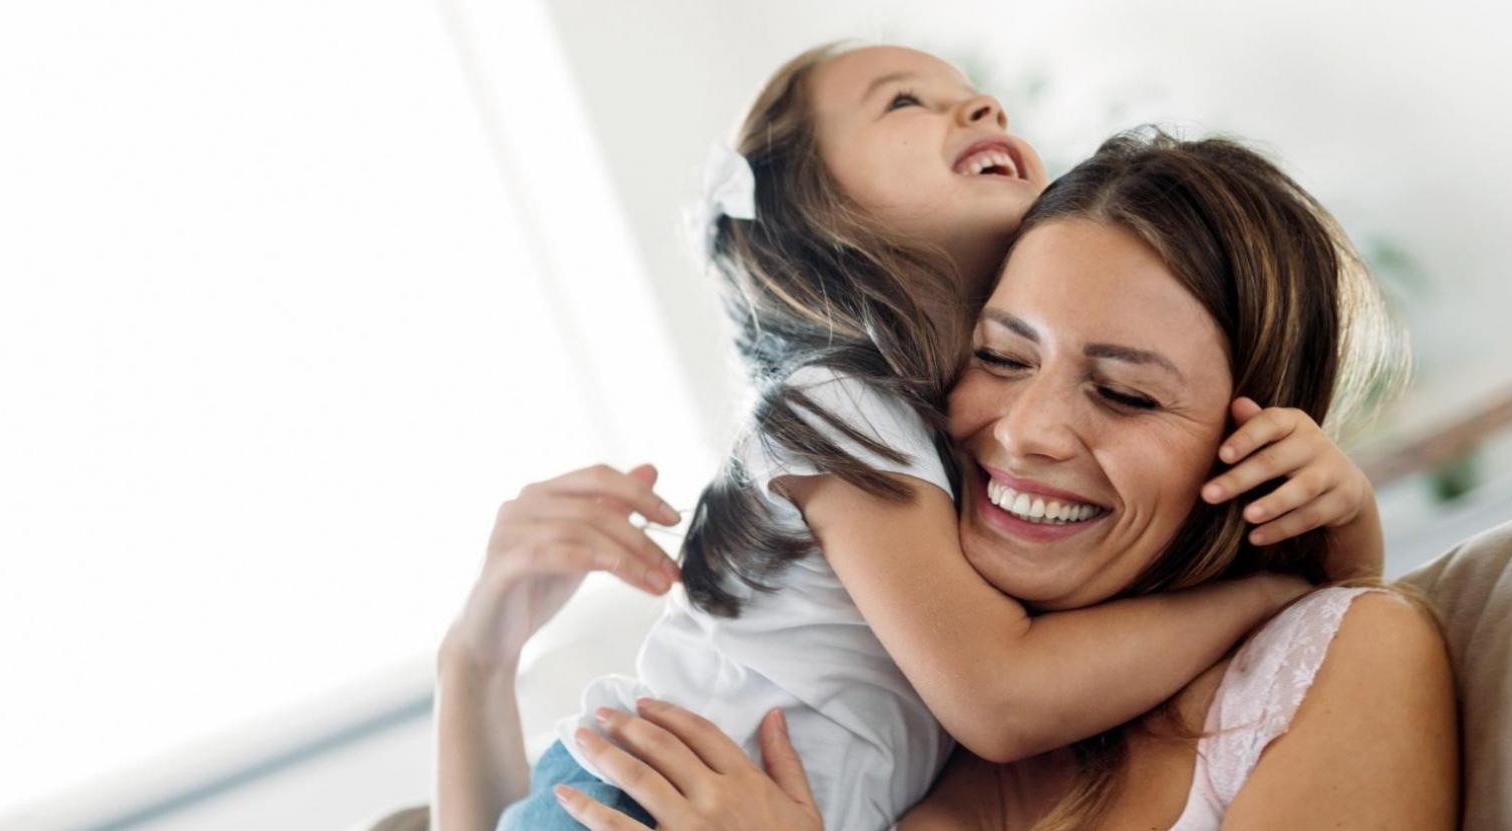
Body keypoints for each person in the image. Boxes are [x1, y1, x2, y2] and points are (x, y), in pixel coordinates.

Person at [436, 44, 1387, 831]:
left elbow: (1340, 629)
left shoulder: (938, 450)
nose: (978, 108)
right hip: (638, 802)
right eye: (907, 102)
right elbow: (1002, 697)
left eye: (1121, 390)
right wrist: (1268, 589)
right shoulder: (837, 408)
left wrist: (1336, 538)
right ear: (814, 215)